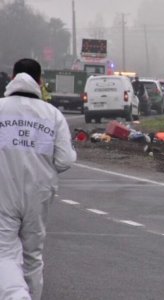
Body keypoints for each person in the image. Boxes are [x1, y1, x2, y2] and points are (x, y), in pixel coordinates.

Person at [0, 58, 77, 300]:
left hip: (3, 192)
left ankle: (15, 296)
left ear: (12, 78)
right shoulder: (52, 115)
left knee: (4, 253)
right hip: (39, 193)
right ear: (40, 81)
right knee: (33, 256)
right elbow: (65, 160)